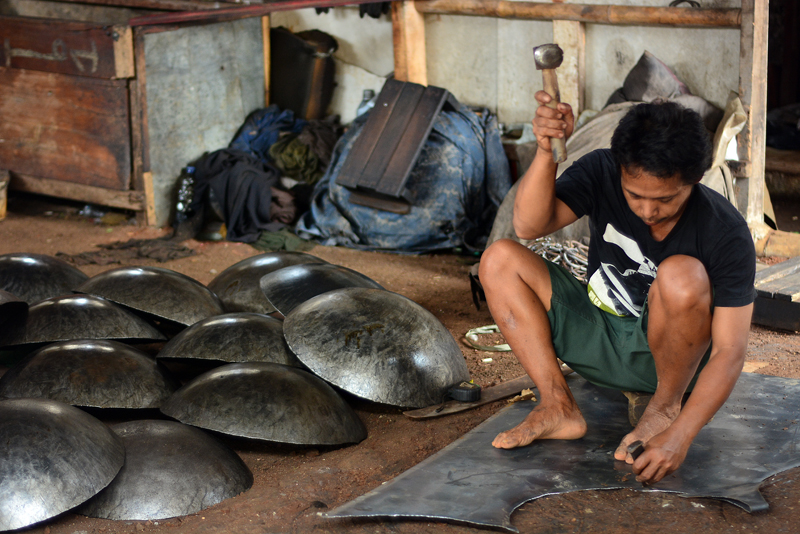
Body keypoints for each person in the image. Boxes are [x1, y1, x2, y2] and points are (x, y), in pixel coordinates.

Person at [478, 91, 756, 484]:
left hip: (670, 365)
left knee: (681, 276)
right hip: (598, 338)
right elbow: (528, 225)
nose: (646, 210)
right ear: (620, 168)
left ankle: (662, 408)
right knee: (499, 259)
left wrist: (680, 435)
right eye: (635, 195)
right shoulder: (602, 171)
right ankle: (557, 404)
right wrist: (546, 152)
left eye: (664, 199)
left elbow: (730, 350)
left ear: (694, 179)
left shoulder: (724, 232)